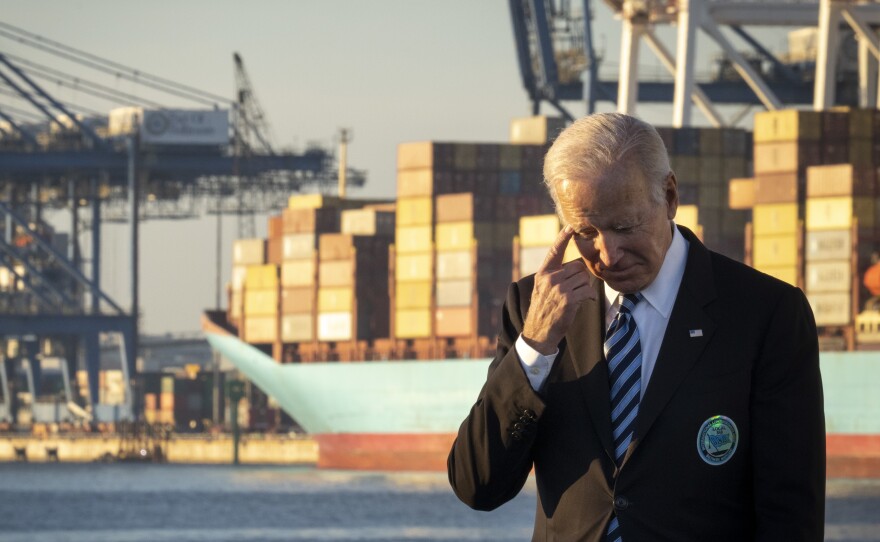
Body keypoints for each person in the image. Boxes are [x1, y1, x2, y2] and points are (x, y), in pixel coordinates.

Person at [447, 112, 825, 541]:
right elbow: (477, 486)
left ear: (669, 196)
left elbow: (791, 513)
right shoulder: (533, 307)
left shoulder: (766, 313)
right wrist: (534, 347)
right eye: (587, 231)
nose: (608, 255)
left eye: (624, 227)